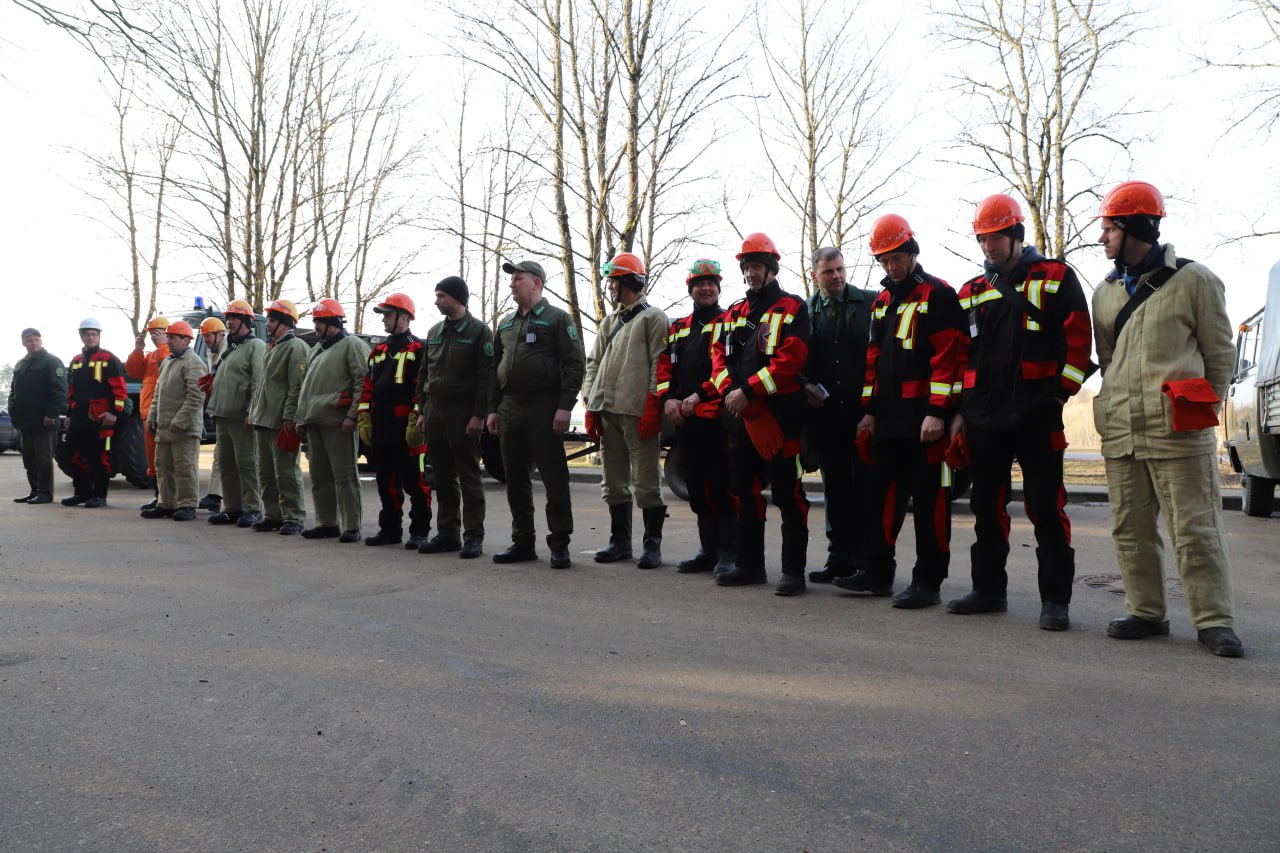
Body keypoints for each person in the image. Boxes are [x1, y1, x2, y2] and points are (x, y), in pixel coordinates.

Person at [1091, 180, 1242, 657]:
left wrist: (1202, 407)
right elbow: (1109, 360)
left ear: (1136, 228)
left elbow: (1220, 355)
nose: (1102, 238)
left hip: (1178, 430)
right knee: (1130, 529)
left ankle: (1214, 620)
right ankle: (1146, 611)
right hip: (1122, 429)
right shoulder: (1104, 293)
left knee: (1196, 528)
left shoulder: (1195, 280)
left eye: (1110, 229)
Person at [948, 194, 1093, 631]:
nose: (987, 247)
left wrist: (1058, 395)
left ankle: (1055, 600)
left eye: (995, 238)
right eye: (982, 239)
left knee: (1046, 506)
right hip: (984, 418)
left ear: (1016, 235)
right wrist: (962, 411)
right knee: (985, 506)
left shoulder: (1056, 276)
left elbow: (1078, 344)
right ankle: (988, 590)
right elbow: (962, 355)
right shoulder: (971, 291)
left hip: (1036, 414)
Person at [834, 215, 967, 608]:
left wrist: (938, 412)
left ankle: (928, 582)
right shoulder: (882, 302)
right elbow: (873, 360)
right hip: (889, 421)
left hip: (926, 423)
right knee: (879, 500)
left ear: (911, 252)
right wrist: (869, 411)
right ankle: (877, 574)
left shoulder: (939, 294)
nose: (890, 266)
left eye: (896, 258)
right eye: (884, 260)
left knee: (930, 504)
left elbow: (950, 357)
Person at [709, 233, 811, 596]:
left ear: (771, 269)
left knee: (788, 493)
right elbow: (717, 359)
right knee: (744, 492)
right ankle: (750, 566)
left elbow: (791, 359)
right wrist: (732, 394)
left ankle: (793, 572)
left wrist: (749, 392)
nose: (751, 273)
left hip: (782, 417)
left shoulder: (793, 308)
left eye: (757, 266)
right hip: (740, 419)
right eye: (747, 267)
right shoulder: (733, 313)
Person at [486, 260, 586, 569]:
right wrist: (492, 409)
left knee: (554, 478)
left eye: (518, 278)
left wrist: (565, 406)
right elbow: (494, 368)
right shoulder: (505, 324)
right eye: (511, 279)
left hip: (545, 407)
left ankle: (560, 543)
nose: (512, 284)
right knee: (515, 478)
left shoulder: (557, 319)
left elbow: (575, 363)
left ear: (537, 283)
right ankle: (522, 542)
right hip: (510, 408)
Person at [583, 251, 670, 568]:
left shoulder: (653, 317)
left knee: (647, 482)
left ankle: (652, 546)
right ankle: (619, 542)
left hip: (638, 413)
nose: (609, 287)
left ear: (627, 281)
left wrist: (653, 405)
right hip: (607, 412)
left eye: (613, 281)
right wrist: (590, 402)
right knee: (613, 482)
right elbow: (593, 364)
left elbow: (660, 365)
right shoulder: (609, 322)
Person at [655, 259, 736, 577]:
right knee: (697, 488)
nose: (706, 289)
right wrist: (667, 400)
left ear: (718, 288)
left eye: (711, 284)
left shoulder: (729, 321)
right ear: (690, 289)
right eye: (700, 284)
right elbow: (664, 367)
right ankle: (708, 550)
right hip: (685, 421)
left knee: (721, 487)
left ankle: (729, 552)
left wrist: (699, 395)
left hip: (717, 420)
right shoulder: (678, 328)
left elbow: (727, 369)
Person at [800, 247, 874, 584]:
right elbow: (796, 357)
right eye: (829, 272)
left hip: (863, 415)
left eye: (841, 269)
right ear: (814, 275)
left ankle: (866, 560)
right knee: (836, 489)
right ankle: (839, 559)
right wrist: (804, 384)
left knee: (865, 489)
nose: (837, 276)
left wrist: (874, 409)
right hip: (828, 418)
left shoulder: (870, 302)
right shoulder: (805, 312)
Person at [415, 276, 492, 559]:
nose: (437, 301)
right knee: (442, 477)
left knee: (469, 477)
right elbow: (424, 373)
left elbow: (486, 377)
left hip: (463, 415)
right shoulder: (434, 331)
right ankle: (447, 534)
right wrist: (422, 410)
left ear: (458, 298)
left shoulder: (479, 331)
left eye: (441, 296)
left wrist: (478, 415)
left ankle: (473, 537)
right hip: (435, 414)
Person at [358, 292, 432, 549]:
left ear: (404, 317)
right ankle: (390, 530)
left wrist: (417, 416)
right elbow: (368, 386)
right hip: (382, 427)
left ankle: (419, 532)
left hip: (407, 428)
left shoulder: (419, 348)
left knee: (416, 482)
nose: (384, 320)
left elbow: (423, 387)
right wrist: (364, 415)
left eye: (387, 315)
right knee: (385, 482)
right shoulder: (378, 351)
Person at [296, 297, 371, 542]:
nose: (315, 326)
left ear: (333, 322)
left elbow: (363, 382)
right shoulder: (317, 349)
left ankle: (352, 526)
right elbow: (305, 387)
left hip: (339, 422)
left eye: (319, 321)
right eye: (315, 321)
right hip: (315, 421)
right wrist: (301, 418)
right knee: (320, 477)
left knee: (345, 476)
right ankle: (326, 523)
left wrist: (353, 415)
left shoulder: (352, 345)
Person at [247, 299, 310, 535]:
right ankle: (273, 515)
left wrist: (290, 418)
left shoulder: (296, 347)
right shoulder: (271, 347)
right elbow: (262, 386)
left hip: (281, 423)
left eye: (272, 320)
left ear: (285, 323)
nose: (268, 325)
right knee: (265, 472)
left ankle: (293, 516)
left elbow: (297, 386)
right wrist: (253, 413)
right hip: (263, 421)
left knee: (286, 472)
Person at [206, 301, 266, 528]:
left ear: (245, 321)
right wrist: (214, 410)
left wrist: (252, 411)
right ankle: (232, 508)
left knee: (247, 464)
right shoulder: (230, 348)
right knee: (226, 464)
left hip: (242, 418)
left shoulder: (255, 346)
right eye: (228, 318)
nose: (229, 322)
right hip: (223, 416)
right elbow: (220, 381)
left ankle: (252, 508)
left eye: (233, 318)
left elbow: (258, 381)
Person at [142, 321, 208, 520]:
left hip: (184, 429)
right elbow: (158, 393)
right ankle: (167, 504)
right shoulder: (168, 362)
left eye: (172, 337)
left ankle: (187, 505)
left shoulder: (194, 363)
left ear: (186, 340)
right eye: (168, 337)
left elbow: (196, 396)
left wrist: (181, 420)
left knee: (184, 467)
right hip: (164, 428)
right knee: (163, 466)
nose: (168, 341)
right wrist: (152, 416)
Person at [63, 317, 128, 508]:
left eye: (94, 334)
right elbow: (71, 391)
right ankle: (81, 494)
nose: (90, 337)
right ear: (81, 336)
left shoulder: (109, 359)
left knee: (100, 457)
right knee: (74, 455)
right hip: (79, 416)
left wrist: (114, 413)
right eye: (87, 334)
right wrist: (69, 415)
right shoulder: (76, 361)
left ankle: (99, 496)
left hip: (100, 417)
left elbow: (120, 390)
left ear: (99, 336)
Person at [9, 328, 66, 504]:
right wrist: (12, 409)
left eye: (36, 339)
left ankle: (45, 493)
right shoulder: (21, 364)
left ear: (41, 341)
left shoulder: (51, 362)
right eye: (29, 340)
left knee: (44, 459)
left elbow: (60, 391)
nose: (34, 343)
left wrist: (51, 414)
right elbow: (14, 390)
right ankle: (34, 491)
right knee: (29, 459)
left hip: (44, 421)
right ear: (23, 343)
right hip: (26, 421)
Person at [124, 315, 170, 509]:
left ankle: (168, 498)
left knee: (165, 458)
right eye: (152, 333)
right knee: (152, 457)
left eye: (157, 333)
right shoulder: (151, 355)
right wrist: (138, 350)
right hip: (148, 412)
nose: (153, 337)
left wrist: (162, 345)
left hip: (164, 413)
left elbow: (168, 366)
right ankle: (158, 496)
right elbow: (133, 371)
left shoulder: (170, 353)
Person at [198, 316, 228, 513]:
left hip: (231, 410)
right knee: (221, 455)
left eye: (207, 336)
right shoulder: (213, 352)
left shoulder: (228, 350)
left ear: (219, 335)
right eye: (203, 337)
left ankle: (218, 497)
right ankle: (215, 496)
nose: (205, 341)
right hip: (221, 408)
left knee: (228, 457)